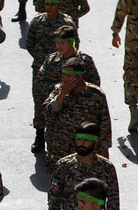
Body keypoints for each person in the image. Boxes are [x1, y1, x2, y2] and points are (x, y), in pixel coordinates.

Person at [48, 122, 119, 210]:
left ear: (95, 142)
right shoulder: (63, 165)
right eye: (79, 139)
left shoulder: (106, 168)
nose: (81, 143)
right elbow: (54, 199)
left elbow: (113, 201)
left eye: (86, 140)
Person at [33, 25, 99, 153]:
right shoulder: (51, 59)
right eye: (57, 42)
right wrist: (61, 89)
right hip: (58, 109)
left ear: (71, 42)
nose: (58, 46)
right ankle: (39, 137)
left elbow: (95, 83)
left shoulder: (85, 61)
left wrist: (78, 89)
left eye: (62, 43)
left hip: (81, 111)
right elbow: (39, 81)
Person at [26, 0, 78, 153]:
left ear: (59, 5)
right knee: (40, 102)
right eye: (47, 4)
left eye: (53, 5)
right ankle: (39, 135)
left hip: (64, 71)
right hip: (42, 68)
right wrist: (42, 59)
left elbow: (75, 43)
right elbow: (29, 43)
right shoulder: (37, 21)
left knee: (64, 101)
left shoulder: (67, 23)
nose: (49, 7)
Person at [44, 57, 112, 174]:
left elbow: (104, 124)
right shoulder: (58, 91)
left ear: (79, 76)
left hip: (86, 152)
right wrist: (62, 95)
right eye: (63, 75)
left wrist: (104, 151)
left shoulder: (96, 95)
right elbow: (47, 113)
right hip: (60, 150)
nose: (64, 79)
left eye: (68, 76)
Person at [111, 0, 138, 133]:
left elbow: (120, 14)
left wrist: (115, 33)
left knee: (130, 75)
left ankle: (133, 110)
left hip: (133, 43)